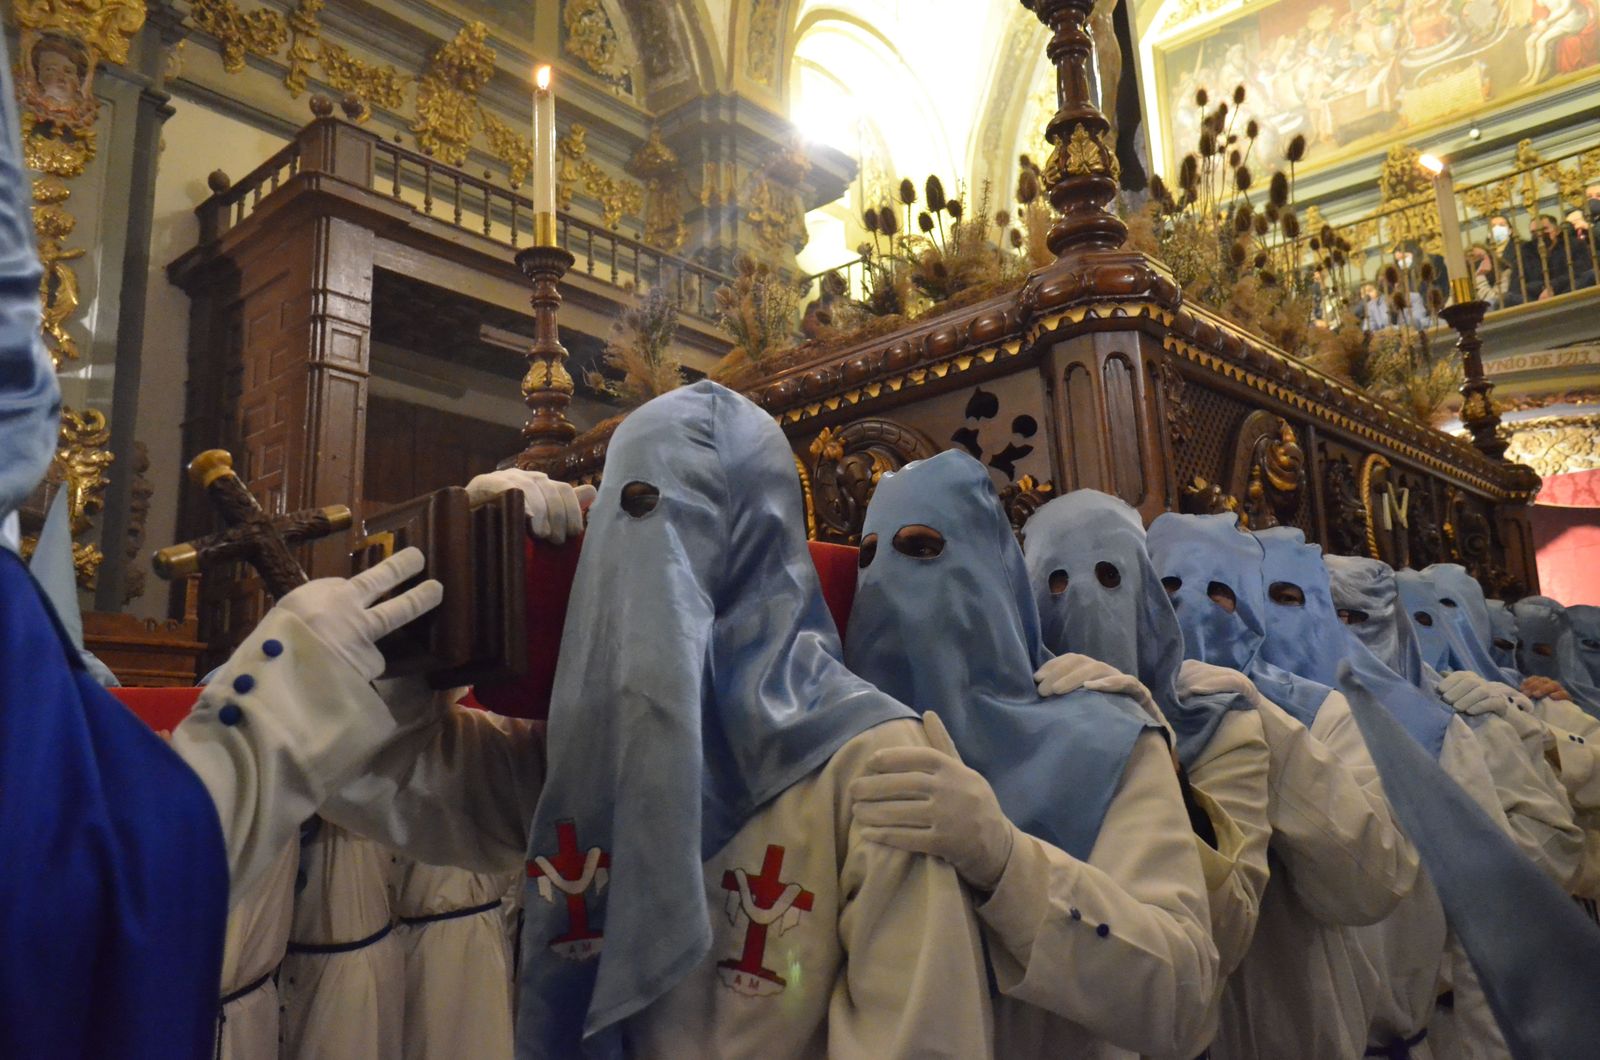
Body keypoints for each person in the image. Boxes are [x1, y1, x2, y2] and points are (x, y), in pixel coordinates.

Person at [224, 381, 992, 1057]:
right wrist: (460, 575)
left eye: (666, 513)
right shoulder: (587, 752)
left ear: (759, 543)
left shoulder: (878, 767)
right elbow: (374, 776)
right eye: (629, 515)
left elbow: (924, 1038)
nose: (652, 562)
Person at [844, 452, 1216, 1059]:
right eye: (868, 556)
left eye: (922, 548)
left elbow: (1185, 994)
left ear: (996, 572)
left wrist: (1007, 862)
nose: (886, 579)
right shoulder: (841, 748)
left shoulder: (1105, 740)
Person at [1145, 513, 1417, 1060]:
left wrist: (1262, 725)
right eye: (1168, 586)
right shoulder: (1120, 706)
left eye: (1221, 591)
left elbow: (1373, 883)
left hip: (1294, 1021)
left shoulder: (1320, 716)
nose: (1191, 605)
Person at [1020, 490, 1270, 1058]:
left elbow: (1228, 936)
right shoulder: (1006, 719)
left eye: (1109, 575)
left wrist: (1159, 758)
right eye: (1054, 582)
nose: (1080, 597)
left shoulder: (1217, 723)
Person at [1253, 530, 1508, 1060]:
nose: (1340, 633)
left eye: (1358, 620)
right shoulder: (1231, 714)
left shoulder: (1430, 727)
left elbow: (1491, 917)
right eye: (1272, 601)